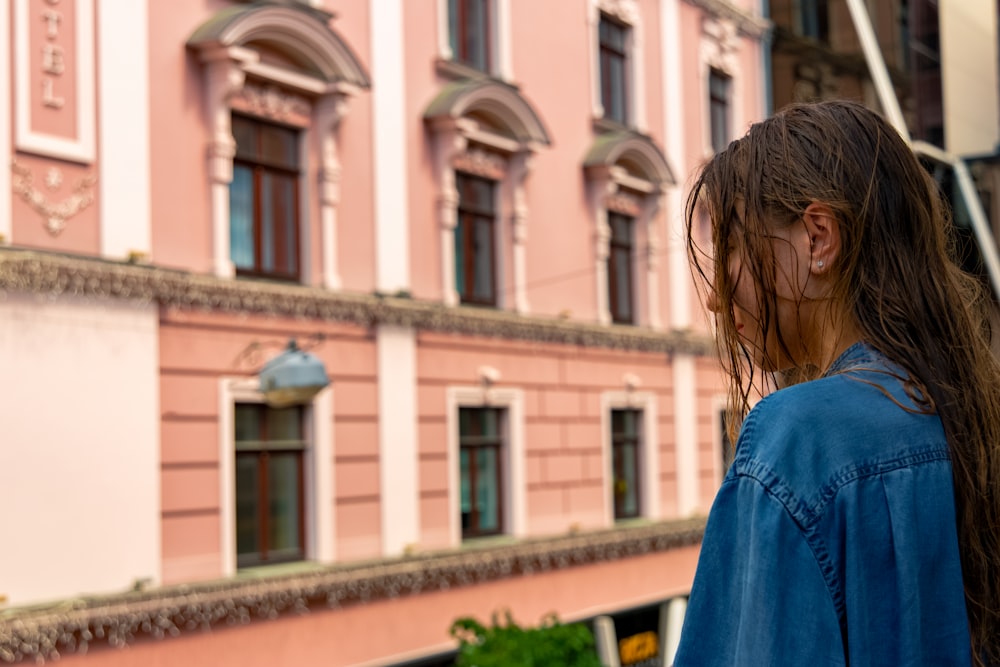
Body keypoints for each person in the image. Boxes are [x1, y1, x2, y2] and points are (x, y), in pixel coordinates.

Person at [672, 100, 1000, 666]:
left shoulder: (797, 437)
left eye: (729, 245)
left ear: (818, 238)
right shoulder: (974, 411)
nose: (712, 295)